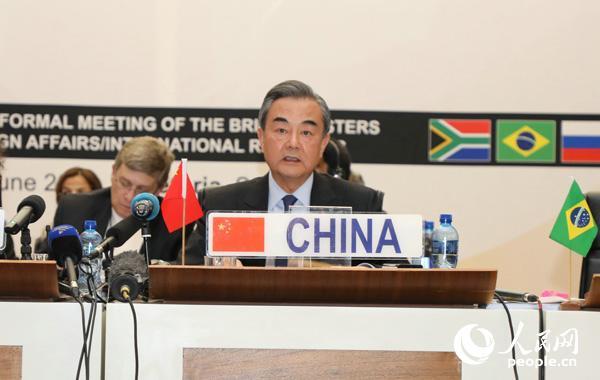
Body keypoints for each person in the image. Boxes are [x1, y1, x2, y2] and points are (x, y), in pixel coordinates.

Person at [187, 80, 384, 265]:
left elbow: (397, 275)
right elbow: (185, 276)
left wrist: (363, 275)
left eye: (306, 133)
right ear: (261, 138)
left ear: (323, 143)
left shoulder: (359, 205)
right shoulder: (221, 206)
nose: (293, 143)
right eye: (281, 130)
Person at [52, 136, 187, 262]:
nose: (129, 196)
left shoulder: (178, 222)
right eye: (124, 183)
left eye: (141, 189)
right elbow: (51, 269)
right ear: (114, 172)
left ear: (159, 188)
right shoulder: (73, 208)